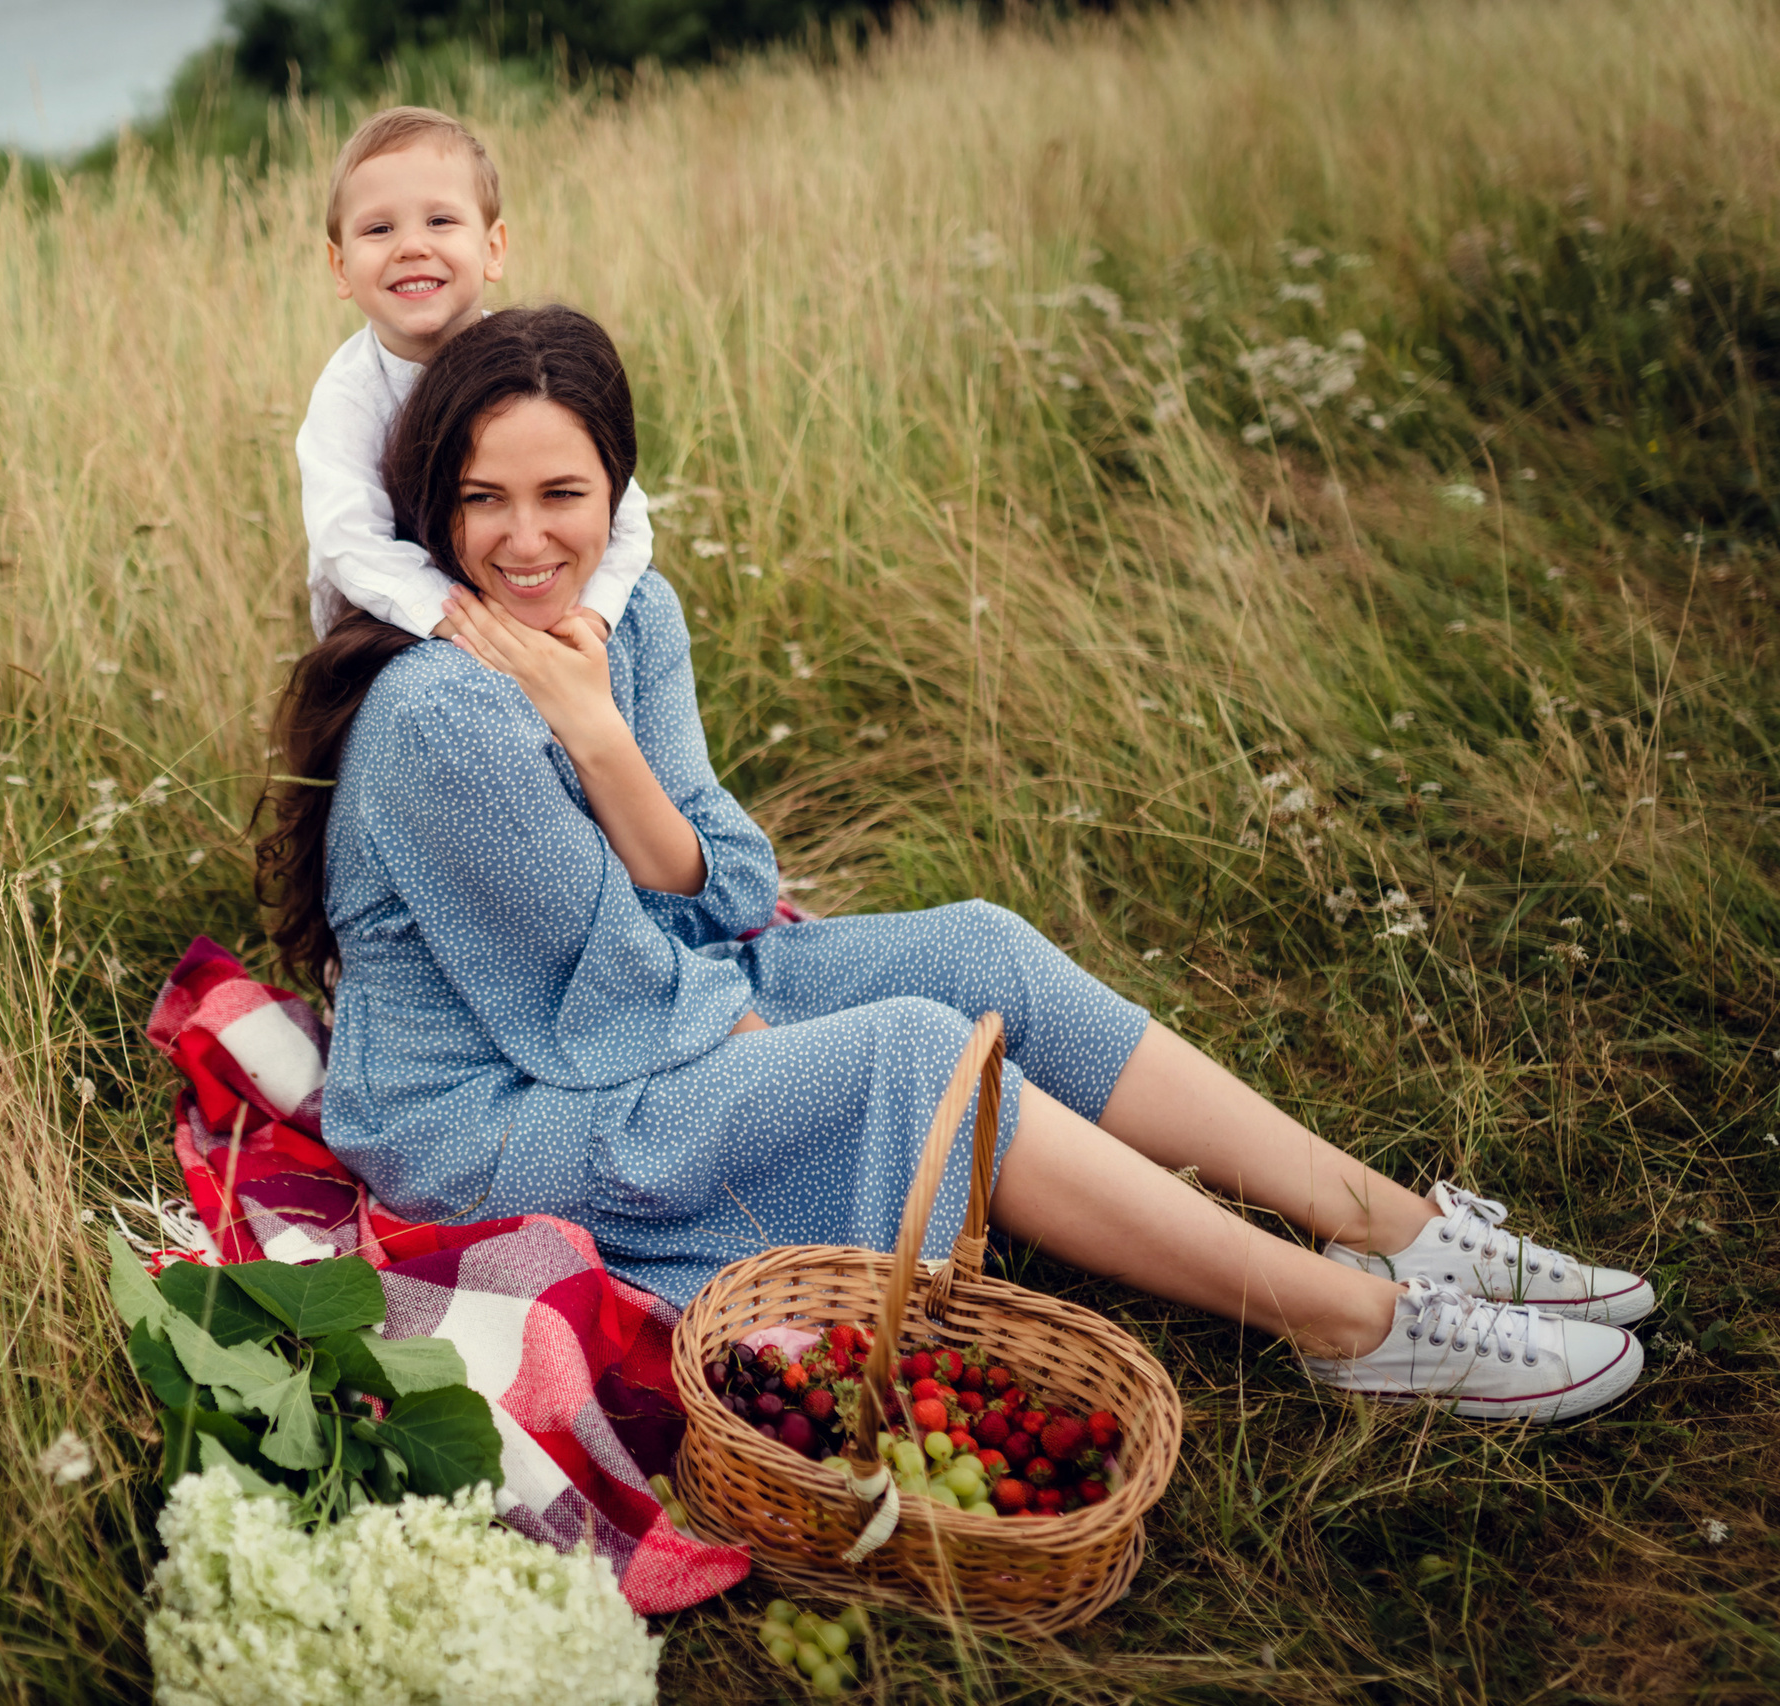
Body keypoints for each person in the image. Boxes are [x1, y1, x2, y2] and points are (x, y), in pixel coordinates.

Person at [256, 304, 1652, 1425]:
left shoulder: (633, 612)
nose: (523, 539)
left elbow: (732, 883)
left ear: (616, 491)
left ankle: (1389, 1224)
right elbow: (604, 1001)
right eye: (480, 500)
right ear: (433, 507)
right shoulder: (438, 712)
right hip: (490, 1108)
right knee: (912, 1054)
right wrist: (788, 1036)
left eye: (562, 493)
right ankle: (1357, 1328)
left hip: (641, 989)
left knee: (975, 946)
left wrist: (603, 738)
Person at [297, 105, 655, 644]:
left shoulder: (532, 371)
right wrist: (462, 626)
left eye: (440, 221)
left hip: (530, 593)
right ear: (341, 268)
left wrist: (596, 614)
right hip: (401, 625)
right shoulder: (349, 393)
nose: (412, 245)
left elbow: (623, 510)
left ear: (492, 249)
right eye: (378, 228)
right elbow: (347, 541)